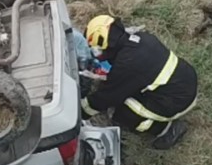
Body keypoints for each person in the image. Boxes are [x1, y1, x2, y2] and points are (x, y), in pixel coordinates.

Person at [80, 15, 197, 149]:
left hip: (175, 101)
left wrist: (81, 111)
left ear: (105, 44)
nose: (97, 54)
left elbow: (106, 97)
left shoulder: (128, 64)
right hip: (185, 81)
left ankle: (167, 129)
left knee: (123, 114)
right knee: (123, 89)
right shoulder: (140, 38)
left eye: (97, 50)